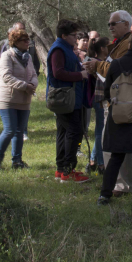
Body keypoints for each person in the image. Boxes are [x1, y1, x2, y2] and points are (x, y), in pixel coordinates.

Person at [97, 31, 132, 207]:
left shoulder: (115, 65)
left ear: (129, 45)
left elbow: (107, 91)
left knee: (116, 157)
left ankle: (105, 195)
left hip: (118, 116)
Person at [48, 19, 94, 183]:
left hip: (70, 98)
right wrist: (79, 75)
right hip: (65, 99)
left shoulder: (65, 48)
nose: (76, 38)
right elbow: (58, 72)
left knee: (64, 132)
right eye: (73, 35)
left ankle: (62, 169)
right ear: (64, 35)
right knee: (74, 132)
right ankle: (68, 170)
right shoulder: (58, 49)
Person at [0, 27, 37, 171]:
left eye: (28, 40)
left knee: (19, 131)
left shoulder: (28, 57)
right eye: (24, 40)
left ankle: (17, 161)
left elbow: (34, 74)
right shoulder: (7, 56)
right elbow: (6, 76)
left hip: (24, 100)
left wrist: (32, 84)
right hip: (7, 99)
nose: (27, 42)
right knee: (10, 130)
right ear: (15, 42)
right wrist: (25, 86)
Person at [86, 37, 110, 175]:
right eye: (108, 46)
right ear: (102, 48)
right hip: (99, 99)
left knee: (100, 130)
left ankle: (93, 160)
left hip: (98, 99)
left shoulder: (101, 63)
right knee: (100, 131)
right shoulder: (97, 64)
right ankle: (101, 163)